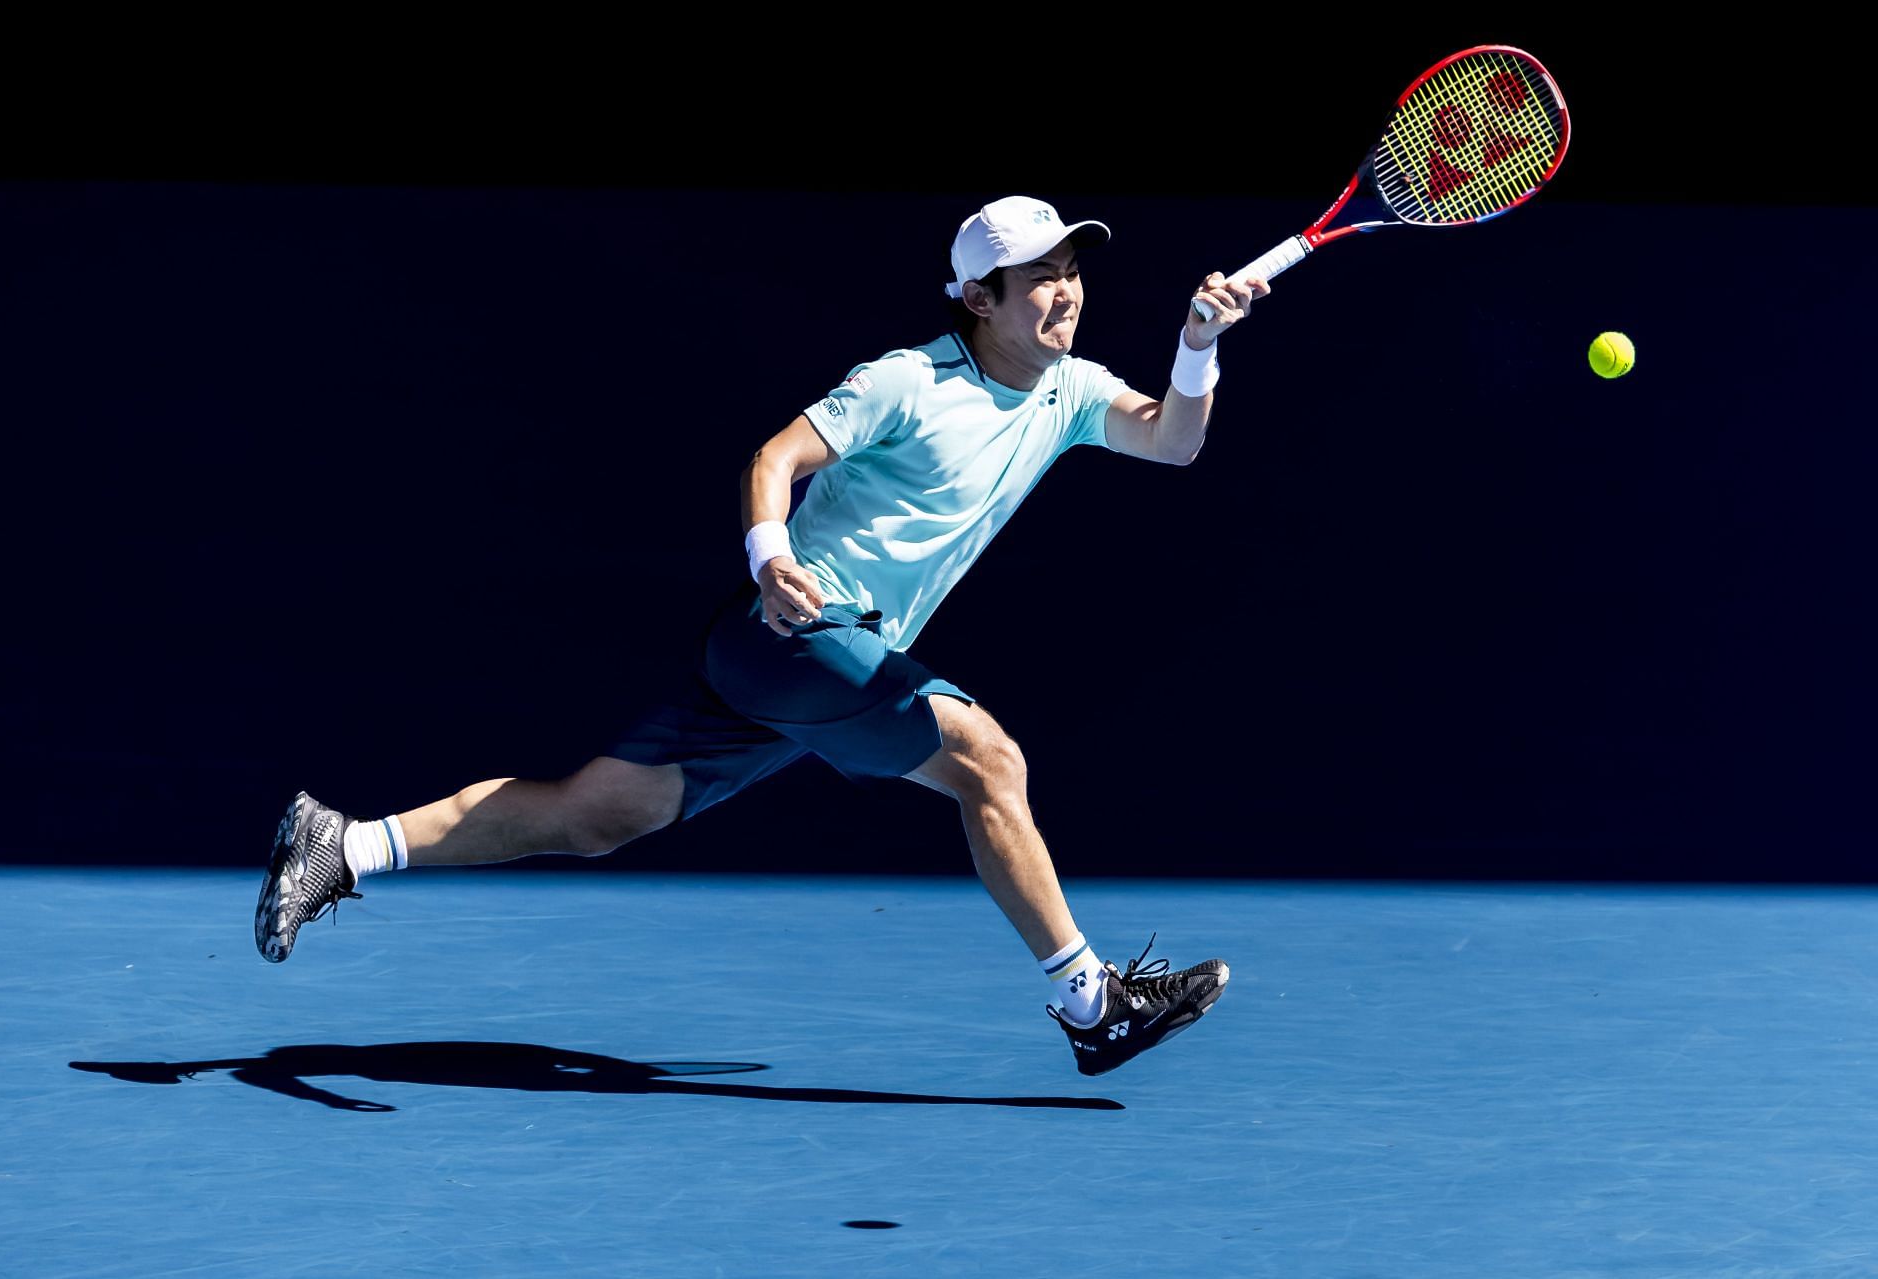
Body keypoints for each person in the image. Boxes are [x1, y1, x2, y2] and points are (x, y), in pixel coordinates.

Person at [255, 195, 1271, 1076]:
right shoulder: (905, 382)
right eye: (1036, 278)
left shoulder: (1073, 390)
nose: (1064, 292)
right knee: (988, 763)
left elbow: (1172, 441)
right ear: (978, 299)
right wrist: (770, 558)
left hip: (820, 664)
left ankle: (341, 845)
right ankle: (1093, 1007)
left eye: (1070, 270)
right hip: (794, 630)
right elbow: (774, 456)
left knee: (600, 814)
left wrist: (1197, 344)